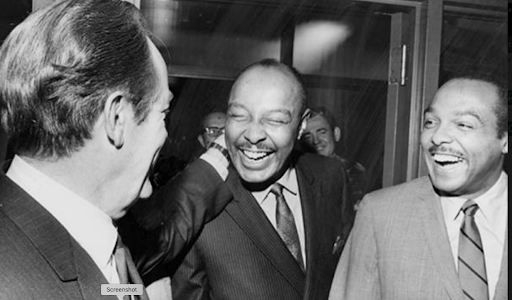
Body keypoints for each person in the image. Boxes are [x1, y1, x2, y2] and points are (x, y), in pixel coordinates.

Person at [0, 1, 231, 299]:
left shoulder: (86, 226)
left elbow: (99, 284)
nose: (165, 132)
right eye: (163, 113)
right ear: (117, 118)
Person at [171, 58, 349, 300]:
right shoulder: (200, 203)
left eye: (275, 120)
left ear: (301, 125)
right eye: (239, 115)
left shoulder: (330, 176)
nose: (253, 135)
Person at [328, 76, 508, 300]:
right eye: (431, 122)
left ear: (504, 139)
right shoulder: (380, 213)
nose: (438, 136)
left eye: (463, 124)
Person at [301, 106, 367, 211]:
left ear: (336, 134)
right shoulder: (299, 173)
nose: (315, 141)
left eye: (322, 132)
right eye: (308, 136)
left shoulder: (352, 171)